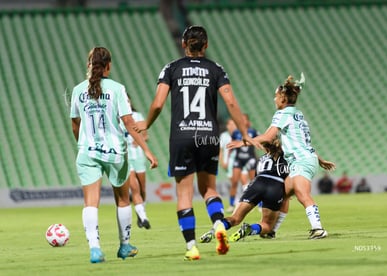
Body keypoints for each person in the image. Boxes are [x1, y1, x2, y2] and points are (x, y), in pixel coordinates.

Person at [142, 25, 260, 260]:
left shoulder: (171, 68)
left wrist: (146, 124)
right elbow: (231, 103)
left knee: (184, 194)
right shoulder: (215, 69)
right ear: (205, 45)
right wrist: (245, 133)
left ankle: (192, 247)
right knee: (209, 189)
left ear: (184, 44)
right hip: (208, 135)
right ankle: (218, 225)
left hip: (182, 136)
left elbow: (157, 104)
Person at [70, 47, 158, 263]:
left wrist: (84, 145)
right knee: (122, 199)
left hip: (87, 152)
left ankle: (95, 249)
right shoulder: (117, 89)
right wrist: (146, 150)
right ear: (108, 66)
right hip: (116, 152)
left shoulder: (78, 90)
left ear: (89, 65)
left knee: (91, 201)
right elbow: (129, 124)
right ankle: (124, 246)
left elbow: (75, 124)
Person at [228, 74, 336, 239]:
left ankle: (318, 229)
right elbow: (302, 141)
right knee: (283, 194)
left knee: (302, 194)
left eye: (276, 96)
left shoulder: (282, 114)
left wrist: (244, 142)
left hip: (301, 161)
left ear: (283, 99)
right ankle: (271, 231)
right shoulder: (298, 115)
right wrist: (319, 160)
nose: (274, 99)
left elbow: (267, 137)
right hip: (306, 158)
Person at [200, 137, 290, 242]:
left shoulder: (262, 159)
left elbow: (257, 176)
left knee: (235, 218)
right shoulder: (287, 157)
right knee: (267, 225)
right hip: (275, 186)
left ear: (265, 147)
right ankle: (250, 229)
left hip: (257, 183)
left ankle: (213, 231)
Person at [124, 95, 151, 229]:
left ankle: (141, 212)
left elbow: (146, 135)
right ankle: (143, 217)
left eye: (128, 100)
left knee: (142, 189)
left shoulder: (138, 116)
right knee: (134, 188)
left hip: (139, 156)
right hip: (126, 156)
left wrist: (139, 139)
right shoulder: (118, 117)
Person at [228, 113, 258, 213]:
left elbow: (259, 141)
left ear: (247, 121)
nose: (243, 121)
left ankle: (259, 203)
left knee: (254, 182)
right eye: (242, 119)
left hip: (250, 158)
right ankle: (232, 204)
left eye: (245, 119)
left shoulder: (253, 131)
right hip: (239, 159)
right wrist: (228, 158)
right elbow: (231, 145)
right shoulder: (236, 132)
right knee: (234, 182)